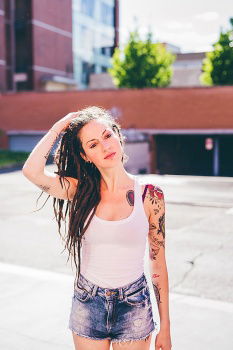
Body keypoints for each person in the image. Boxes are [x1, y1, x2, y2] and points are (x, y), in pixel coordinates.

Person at [22, 106, 172, 350]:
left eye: (106, 135)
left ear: (117, 135)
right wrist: (59, 127)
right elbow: (31, 171)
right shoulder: (80, 191)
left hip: (133, 304)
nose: (105, 146)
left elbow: (158, 262)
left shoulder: (150, 196)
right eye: (92, 145)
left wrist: (165, 326)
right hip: (88, 301)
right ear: (85, 156)